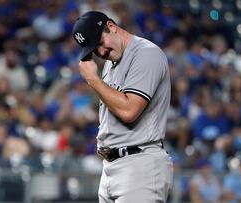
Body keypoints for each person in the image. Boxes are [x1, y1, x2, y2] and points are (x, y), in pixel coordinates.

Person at [72, 11, 173, 202]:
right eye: (94, 49)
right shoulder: (112, 61)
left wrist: (92, 79)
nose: (101, 52)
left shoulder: (146, 53)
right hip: (112, 166)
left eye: (100, 43)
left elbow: (129, 111)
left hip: (139, 164)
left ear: (111, 26)